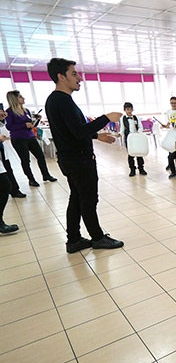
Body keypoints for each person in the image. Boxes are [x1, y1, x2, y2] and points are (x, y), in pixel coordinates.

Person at [44, 57, 124, 253]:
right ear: (61, 77)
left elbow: (71, 130)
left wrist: (96, 136)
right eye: (74, 74)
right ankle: (97, 237)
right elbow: (79, 131)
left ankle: (73, 240)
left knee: (77, 197)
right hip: (79, 160)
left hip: (70, 158)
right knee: (88, 199)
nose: (79, 78)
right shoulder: (62, 101)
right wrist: (106, 118)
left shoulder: (55, 100)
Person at [5, 90, 57, 187]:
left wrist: (37, 120)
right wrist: (24, 125)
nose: (23, 98)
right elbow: (9, 127)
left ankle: (46, 175)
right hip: (19, 139)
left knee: (40, 156)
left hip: (30, 137)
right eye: (20, 97)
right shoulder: (9, 112)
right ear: (14, 99)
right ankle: (31, 179)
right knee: (25, 160)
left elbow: (32, 125)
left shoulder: (26, 111)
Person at [0, 110, 26, 198]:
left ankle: (14, 190)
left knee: (7, 169)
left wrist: (2, 119)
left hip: (1, 149)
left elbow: (2, 125)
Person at [120, 102, 147, 177]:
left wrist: (138, 132)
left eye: (130, 109)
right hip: (129, 139)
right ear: (124, 110)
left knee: (139, 153)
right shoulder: (122, 118)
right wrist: (120, 134)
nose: (129, 111)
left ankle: (141, 168)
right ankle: (132, 169)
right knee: (130, 154)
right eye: (127, 109)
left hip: (136, 138)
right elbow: (122, 129)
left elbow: (140, 127)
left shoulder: (136, 117)